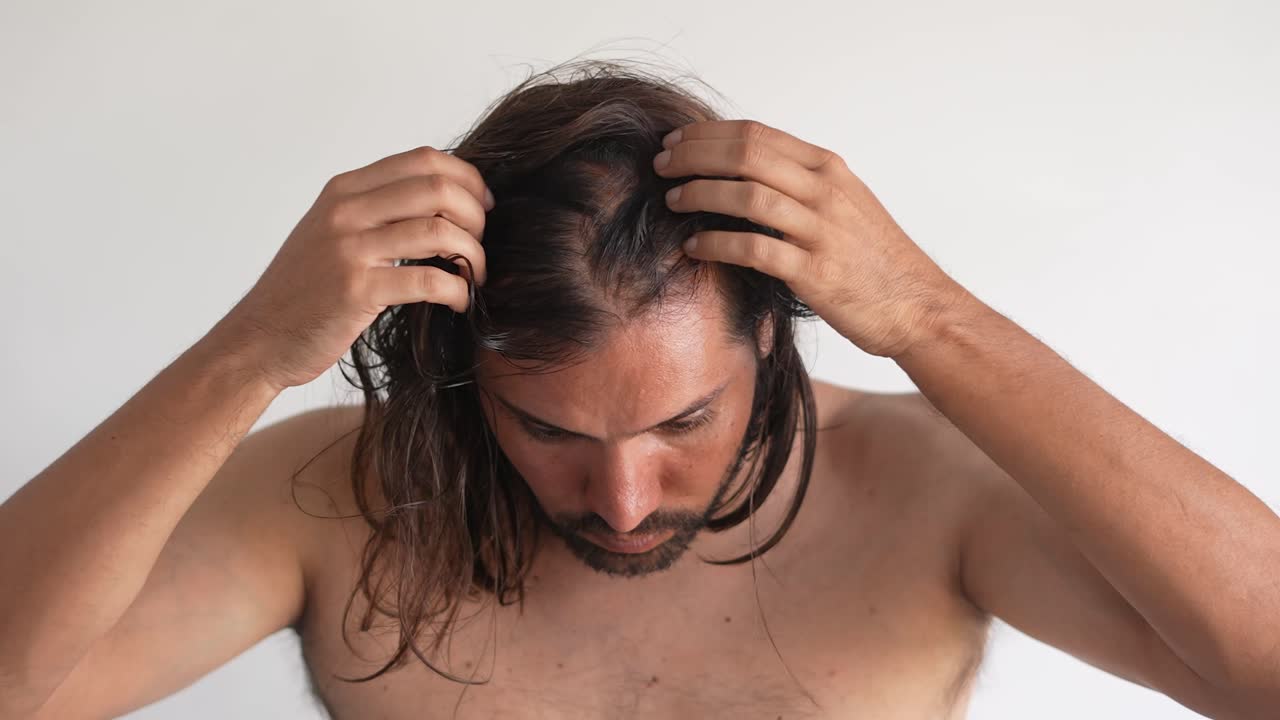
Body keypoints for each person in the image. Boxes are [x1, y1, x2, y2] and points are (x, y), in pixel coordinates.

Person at [3, 59, 1276, 720]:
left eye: (682, 421)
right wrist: (248, 352)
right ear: (460, 381)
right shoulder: (343, 497)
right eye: (545, 428)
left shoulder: (931, 490)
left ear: (772, 342)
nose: (619, 498)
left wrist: (931, 318)